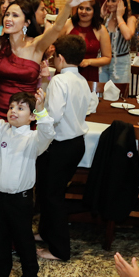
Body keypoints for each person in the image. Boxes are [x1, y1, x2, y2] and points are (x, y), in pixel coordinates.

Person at [0, 76, 56, 277]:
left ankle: (30, 274)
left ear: (31, 116)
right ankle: (2, 269)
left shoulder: (34, 139)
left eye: (20, 108)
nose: (13, 111)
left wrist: (41, 110)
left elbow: (48, 132)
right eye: (11, 107)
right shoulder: (2, 129)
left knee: (23, 237)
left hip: (20, 199)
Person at [36, 35, 94, 262]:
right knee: (47, 190)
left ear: (59, 57)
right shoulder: (81, 80)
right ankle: (45, 232)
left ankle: (60, 250)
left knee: (53, 196)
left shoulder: (60, 81)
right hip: (76, 143)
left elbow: (55, 116)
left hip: (60, 144)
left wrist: (39, 112)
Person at [62, 0, 112, 82]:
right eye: (81, 8)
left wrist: (88, 61)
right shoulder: (68, 24)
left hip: (89, 73)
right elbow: (55, 43)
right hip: (67, 72)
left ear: (94, 11)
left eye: (88, 9)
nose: (83, 12)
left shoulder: (101, 30)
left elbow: (107, 58)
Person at [98, 0, 136, 84]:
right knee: (100, 91)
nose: (109, 4)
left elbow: (127, 35)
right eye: (108, 1)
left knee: (117, 91)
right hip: (103, 61)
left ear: (122, 2)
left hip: (121, 63)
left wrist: (119, 17)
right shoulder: (106, 18)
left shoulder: (130, 19)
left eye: (113, 1)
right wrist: (100, 18)